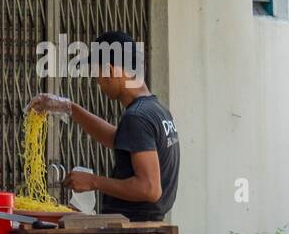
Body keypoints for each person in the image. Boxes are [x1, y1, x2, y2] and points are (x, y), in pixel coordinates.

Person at [28, 31, 180, 222]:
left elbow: (150, 189)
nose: (98, 83)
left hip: (132, 232)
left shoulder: (137, 118)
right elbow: (118, 140)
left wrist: (93, 182)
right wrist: (68, 108)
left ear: (109, 70)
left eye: (97, 74)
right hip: (145, 228)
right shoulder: (157, 110)